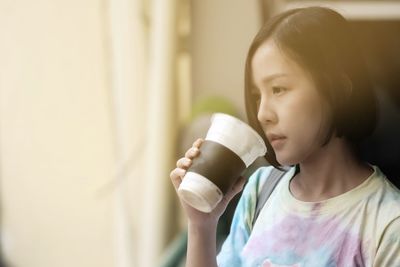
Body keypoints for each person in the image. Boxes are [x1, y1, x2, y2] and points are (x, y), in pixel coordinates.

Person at [170, 6, 400, 266]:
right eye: (258, 96)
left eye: (278, 89)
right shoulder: (261, 189)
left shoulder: (388, 226)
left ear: (338, 90)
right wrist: (201, 224)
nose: (262, 114)